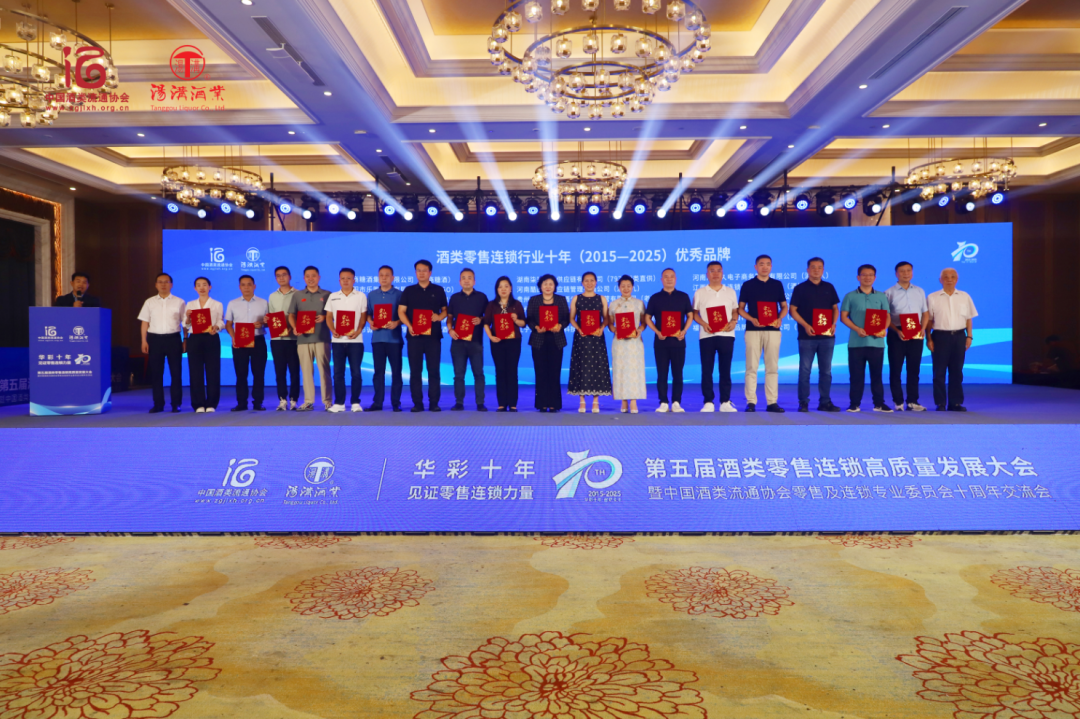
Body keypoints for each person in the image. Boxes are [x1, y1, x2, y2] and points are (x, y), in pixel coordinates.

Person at [788, 257, 842, 413]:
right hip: (807, 337)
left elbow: (835, 308)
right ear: (807, 270)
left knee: (826, 371)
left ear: (823, 270)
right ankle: (803, 402)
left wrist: (833, 323)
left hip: (827, 337)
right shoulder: (800, 288)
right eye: (813, 267)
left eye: (819, 267)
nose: (816, 270)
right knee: (805, 371)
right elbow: (793, 310)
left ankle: (825, 402)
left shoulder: (829, 287)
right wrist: (805, 325)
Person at [738, 255, 788, 413]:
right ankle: (751, 402)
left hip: (773, 330)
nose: (765, 267)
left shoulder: (777, 284)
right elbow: (740, 309)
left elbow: (784, 307)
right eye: (761, 264)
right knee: (751, 367)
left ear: (771, 267)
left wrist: (779, 318)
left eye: (768, 264)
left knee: (772, 367)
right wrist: (751, 319)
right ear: (756, 267)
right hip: (753, 330)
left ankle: (772, 402)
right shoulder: (748, 285)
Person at [840, 264, 892, 413]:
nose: (867, 277)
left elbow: (887, 316)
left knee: (877, 376)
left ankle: (879, 404)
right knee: (856, 376)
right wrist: (857, 329)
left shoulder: (881, 296)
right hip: (856, 343)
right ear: (858, 277)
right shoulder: (850, 296)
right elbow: (844, 317)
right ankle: (854, 404)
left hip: (877, 343)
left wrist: (883, 328)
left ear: (875, 278)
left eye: (870, 275)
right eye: (864, 275)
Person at [398, 259, 448, 412]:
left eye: (424, 270)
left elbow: (445, 310)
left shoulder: (438, 290)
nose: (421, 273)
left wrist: (439, 317)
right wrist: (410, 326)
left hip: (433, 337)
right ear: (415, 273)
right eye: (418, 270)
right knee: (415, 371)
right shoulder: (409, 290)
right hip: (415, 337)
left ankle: (434, 403)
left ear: (430, 272)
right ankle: (417, 403)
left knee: (434, 371)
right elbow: (401, 311)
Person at [927, 267, 978, 412]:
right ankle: (940, 403)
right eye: (946, 277)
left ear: (957, 279)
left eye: (953, 276)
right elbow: (929, 321)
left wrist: (969, 336)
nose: (949, 279)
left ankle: (955, 403)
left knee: (957, 371)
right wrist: (928, 339)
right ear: (940, 280)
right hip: (940, 337)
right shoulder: (932, 297)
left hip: (959, 336)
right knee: (939, 372)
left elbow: (968, 318)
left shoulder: (964, 296)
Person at [692, 261, 739, 413]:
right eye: (712, 271)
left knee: (725, 369)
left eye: (719, 270)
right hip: (707, 335)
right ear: (707, 274)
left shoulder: (730, 291)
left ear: (722, 273)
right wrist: (704, 324)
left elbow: (735, 310)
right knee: (707, 370)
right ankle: (708, 401)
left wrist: (734, 321)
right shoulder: (700, 292)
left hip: (727, 335)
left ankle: (725, 401)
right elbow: (694, 314)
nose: (716, 273)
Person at [645, 268, 693, 413]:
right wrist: (657, 331)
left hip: (678, 342)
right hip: (661, 342)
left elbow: (690, 315)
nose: (669, 279)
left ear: (676, 279)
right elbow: (647, 317)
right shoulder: (655, 298)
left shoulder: (683, 296)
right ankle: (663, 402)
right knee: (662, 373)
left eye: (672, 276)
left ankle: (676, 402)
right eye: (666, 276)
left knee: (678, 373)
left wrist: (684, 331)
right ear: (661, 280)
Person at [884, 261, 930, 412]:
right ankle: (898, 402)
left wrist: (923, 329)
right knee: (895, 368)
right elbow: (886, 317)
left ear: (912, 272)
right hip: (896, 332)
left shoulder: (919, 291)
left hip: (916, 331)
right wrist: (896, 331)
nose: (905, 273)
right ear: (896, 274)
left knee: (914, 369)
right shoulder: (889, 292)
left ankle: (912, 401)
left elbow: (925, 313)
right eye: (902, 271)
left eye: (908, 270)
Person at [137, 273, 186, 413]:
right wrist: (143, 340)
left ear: (171, 284)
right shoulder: (149, 302)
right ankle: (158, 404)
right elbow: (145, 322)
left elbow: (185, 323)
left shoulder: (179, 302)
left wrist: (185, 339)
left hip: (173, 339)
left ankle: (176, 403)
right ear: (156, 285)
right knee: (156, 373)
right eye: (160, 282)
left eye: (166, 282)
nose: (163, 284)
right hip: (155, 340)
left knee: (176, 373)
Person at [568, 271, 613, 413]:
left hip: (597, 337)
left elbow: (606, 318)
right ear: (582, 283)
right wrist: (579, 329)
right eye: (586, 280)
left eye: (592, 280)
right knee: (580, 366)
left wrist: (602, 328)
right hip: (581, 337)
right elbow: (571, 318)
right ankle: (581, 400)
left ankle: (595, 401)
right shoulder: (576, 298)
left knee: (597, 366)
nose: (589, 283)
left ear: (596, 282)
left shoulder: (602, 299)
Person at [325, 267, 368, 413]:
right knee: (338, 373)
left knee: (356, 373)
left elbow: (363, 316)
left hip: (355, 341)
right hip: (337, 341)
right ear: (339, 281)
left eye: (348, 278)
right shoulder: (333, 296)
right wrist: (333, 330)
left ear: (354, 280)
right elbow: (329, 316)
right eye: (343, 278)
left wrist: (358, 331)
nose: (345, 281)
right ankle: (339, 403)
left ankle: (355, 402)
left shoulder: (361, 296)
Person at [225, 274, 269, 411]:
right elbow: (228, 324)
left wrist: (262, 323)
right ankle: (241, 403)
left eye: (249, 284)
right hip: (240, 341)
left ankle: (258, 402)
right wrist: (233, 337)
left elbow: (269, 322)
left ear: (254, 286)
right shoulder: (233, 303)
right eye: (243, 285)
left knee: (259, 373)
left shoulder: (264, 302)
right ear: (239, 287)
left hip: (258, 340)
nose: (246, 287)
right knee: (241, 374)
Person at [526, 274, 570, 412]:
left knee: (554, 372)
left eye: (551, 284)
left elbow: (566, 319)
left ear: (555, 286)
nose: (548, 286)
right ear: (540, 286)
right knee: (540, 372)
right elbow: (529, 319)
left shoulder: (561, 299)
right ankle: (542, 404)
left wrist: (560, 326)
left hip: (556, 340)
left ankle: (554, 404)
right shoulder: (534, 300)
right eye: (545, 284)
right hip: (538, 340)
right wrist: (536, 327)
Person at [448, 268, 489, 411]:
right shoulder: (454, 298)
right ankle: (459, 402)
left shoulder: (482, 297)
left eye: (469, 277)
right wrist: (450, 329)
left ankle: (480, 403)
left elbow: (488, 317)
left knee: (479, 373)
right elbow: (449, 317)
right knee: (458, 375)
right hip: (458, 342)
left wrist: (481, 319)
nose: (466, 280)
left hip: (475, 342)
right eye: (464, 278)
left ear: (474, 281)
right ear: (459, 281)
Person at [483, 276, 526, 412]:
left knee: (512, 371)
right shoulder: (491, 305)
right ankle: (502, 403)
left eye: (506, 286)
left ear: (511, 288)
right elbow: (486, 323)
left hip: (514, 342)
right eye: (500, 286)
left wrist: (516, 319)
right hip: (497, 342)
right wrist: (491, 337)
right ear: (497, 289)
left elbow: (523, 323)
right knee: (500, 371)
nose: (503, 289)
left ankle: (512, 403)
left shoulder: (516, 304)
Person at [183, 276, 224, 413]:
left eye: (204, 284)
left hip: (211, 338)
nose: (202, 287)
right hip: (194, 338)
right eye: (198, 285)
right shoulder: (190, 304)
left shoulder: (217, 304)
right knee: (195, 371)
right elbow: (186, 325)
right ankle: (198, 404)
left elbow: (221, 321)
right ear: (195, 288)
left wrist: (216, 327)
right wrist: (188, 317)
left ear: (210, 287)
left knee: (213, 370)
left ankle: (212, 403)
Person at [295, 266, 333, 411]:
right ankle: (308, 401)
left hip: (322, 337)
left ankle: (327, 401)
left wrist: (325, 317)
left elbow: (333, 315)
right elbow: (292, 314)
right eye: (307, 276)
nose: (311, 278)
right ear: (304, 278)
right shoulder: (298, 295)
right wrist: (294, 327)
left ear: (319, 277)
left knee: (324, 370)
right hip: (303, 339)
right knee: (306, 371)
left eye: (313, 275)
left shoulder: (327, 294)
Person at [367, 265, 404, 412]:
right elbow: (368, 314)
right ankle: (377, 403)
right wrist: (370, 322)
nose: (384, 277)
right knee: (378, 372)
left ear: (392, 278)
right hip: (377, 339)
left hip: (394, 339)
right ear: (378, 277)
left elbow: (405, 315)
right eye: (381, 275)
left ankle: (396, 403)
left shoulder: (399, 294)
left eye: (387, 275)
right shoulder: (372, 295)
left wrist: (396, 323)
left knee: (396, 372)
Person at [608, 274, 646, 413]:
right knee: (621, 370)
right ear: (619, 287)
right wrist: (615, 330)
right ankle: (623, 401)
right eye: (623, 286)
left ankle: (634, 401)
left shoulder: (639, 303)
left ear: (633, 287)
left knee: (634, 370)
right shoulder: (613, 304)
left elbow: (644, 322)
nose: (626, 288)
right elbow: (610, 324)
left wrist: (639, 330)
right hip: (619, 342)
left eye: (628, 286)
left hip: (634, 342)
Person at [268, 265, 301, 411]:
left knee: (294, 371)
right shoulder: (272, 296)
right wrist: (267, 320)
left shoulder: (298, 294)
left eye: (284, 275)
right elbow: (272, 316)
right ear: (276, 278)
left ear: (290, 277)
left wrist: (291, 328)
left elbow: (301, 316)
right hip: (277, 340)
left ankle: (294, 400)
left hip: (294, 339)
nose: (281, 278)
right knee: (279, 371)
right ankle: (282, 400)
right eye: (278, 275)